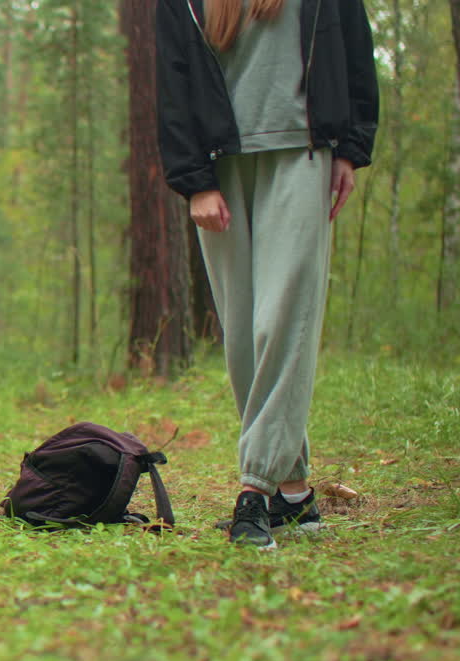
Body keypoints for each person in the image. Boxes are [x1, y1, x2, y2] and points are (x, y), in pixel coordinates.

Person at [156, 0, 378, 548]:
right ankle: (295, 496)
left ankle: (254, 489)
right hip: (221, 164)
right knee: (243, 337)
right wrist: (193, 180)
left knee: (284, 318)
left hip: (302, 155)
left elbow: (355, 50)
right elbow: (173, 79)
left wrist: (350, 150)